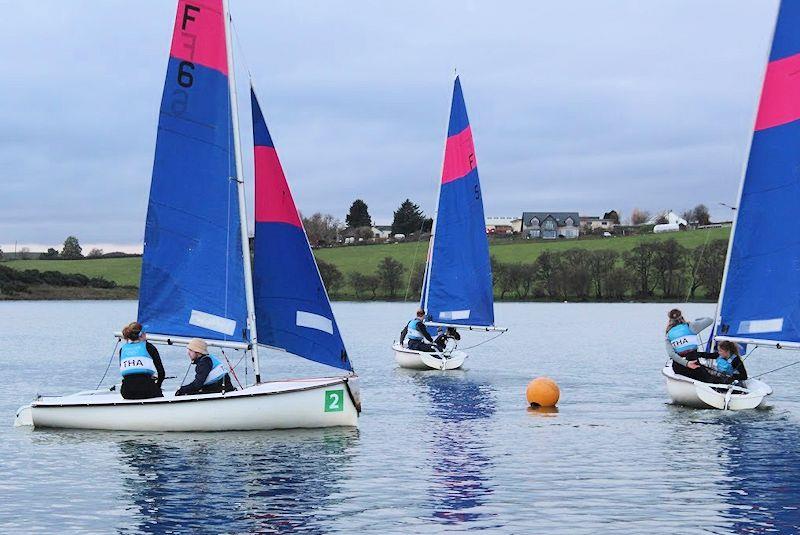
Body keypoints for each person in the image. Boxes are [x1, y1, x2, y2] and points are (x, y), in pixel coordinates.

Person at [664, 308, 725, 383]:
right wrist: (697, 320)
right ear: (681, 316)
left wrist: (686, 364)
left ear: (670, 319)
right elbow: (710, 320)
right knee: (714, 378)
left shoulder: (668, 333)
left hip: (678, 368)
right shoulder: (691, 326)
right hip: (694, 365)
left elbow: (671, 354)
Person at [119, 322, 165, 400]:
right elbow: (161, 373)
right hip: (147, 389)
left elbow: (126, 372)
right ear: (142, 334)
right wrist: (158, 386)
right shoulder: (149, 347)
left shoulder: (122, 349)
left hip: (127, 391)